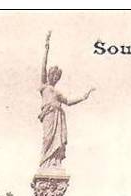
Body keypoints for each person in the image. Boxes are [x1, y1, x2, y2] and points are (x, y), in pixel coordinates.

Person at [39, 31, 95, 169]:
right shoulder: (44, 87)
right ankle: (45, 162)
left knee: (57, 140)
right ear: (49, 76)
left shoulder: (57, 92)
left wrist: (84, 96)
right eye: (53, 75)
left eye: (57, 77)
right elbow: (43, 67)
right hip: (49, 115)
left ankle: (54, 162)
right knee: (47, 138)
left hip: (58, 116)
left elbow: (68, 102)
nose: (54, 78)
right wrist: (46, 48)